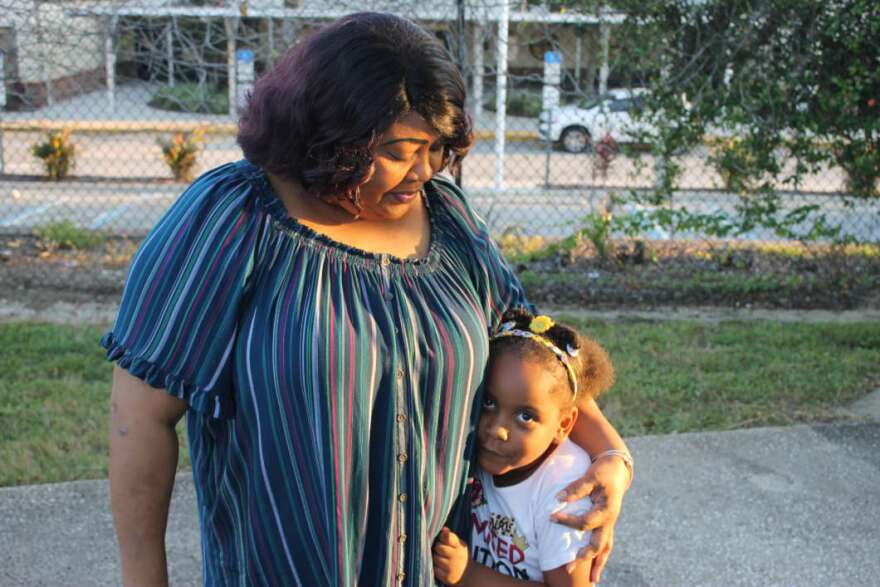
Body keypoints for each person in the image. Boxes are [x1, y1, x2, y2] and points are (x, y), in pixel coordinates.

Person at [103, 12, 632, 586]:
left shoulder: (448, 219)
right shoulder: (234, 217)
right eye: (402, 150)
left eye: (436, 149)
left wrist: (612, 456)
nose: (424, 171)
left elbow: (530, 349)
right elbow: (142, 418)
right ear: (333, 139)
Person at [432, 310, 621, 587]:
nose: (497, 429)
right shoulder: (487, 458)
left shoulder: (565, 495)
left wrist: (471, 575)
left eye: (525, 416)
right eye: (488, 403)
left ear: (563, 425)